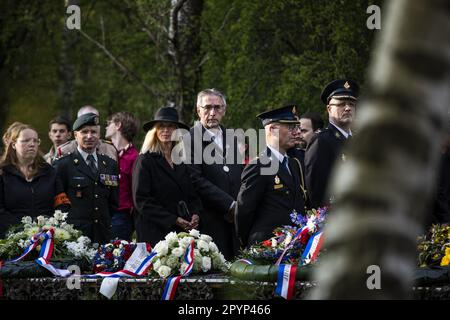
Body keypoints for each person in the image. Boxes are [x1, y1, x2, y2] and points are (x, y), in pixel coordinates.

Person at [236, 106, 306, 247]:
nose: (296, 132)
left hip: (293, 245)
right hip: (267, 246)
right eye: (290, 127)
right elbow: (244, 212)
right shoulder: (259, 165)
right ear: (272, 129)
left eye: (296, 127)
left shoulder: (293, 163)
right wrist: (251, 243)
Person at [186, 88, 243, 260]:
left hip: (235, 221)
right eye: (207, 107)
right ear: (198, 110)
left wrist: (240, 203)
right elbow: (195, 179)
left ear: (224, 111)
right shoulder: (189, 138)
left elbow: (237, 174)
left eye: (217, 108)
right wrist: (229, 205)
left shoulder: (232, 137)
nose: (212, 112)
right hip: (208, 220)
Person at [132, 107, 202, 246]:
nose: (166, 130)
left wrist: (195, 214)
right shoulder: (145, 160)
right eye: (161, 126)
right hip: (154, 231)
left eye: (171, 126)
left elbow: (192, 194)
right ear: (154, 131)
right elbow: (141, 201)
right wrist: (173, 219)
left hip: (181, 231)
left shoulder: (181, 160)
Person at [54, 113, 118, 244]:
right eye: (84, 132)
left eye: (93, 132)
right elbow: (59, 203)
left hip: (102, 234)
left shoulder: (110, 164)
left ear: (99, 135)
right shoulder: (63, 165)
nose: (89, 136)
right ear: (75, 135)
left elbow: (113, 202)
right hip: (74, 237)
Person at [0, 123, 70, 238]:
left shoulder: (49, 172)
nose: (32, 144)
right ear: (13, 144)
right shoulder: (3, 173)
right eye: (26, 140)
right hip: (11, 239)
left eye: (35, 141)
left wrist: (50, 226)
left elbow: (62, 204)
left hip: (47, 237)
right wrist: (23, 230)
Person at [305, 79, 359, 208]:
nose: (347, 108)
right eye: (341, 104)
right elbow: (316, 191)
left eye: (351, 104)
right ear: (329, 109)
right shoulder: (321, 140)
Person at [105, 112, 139, 241]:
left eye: (109, 124)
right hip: (102, 214)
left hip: (121, 217)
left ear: (118, 125)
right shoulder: (104, 152)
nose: (106, 127)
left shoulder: (134, 157)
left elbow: (136, 191)